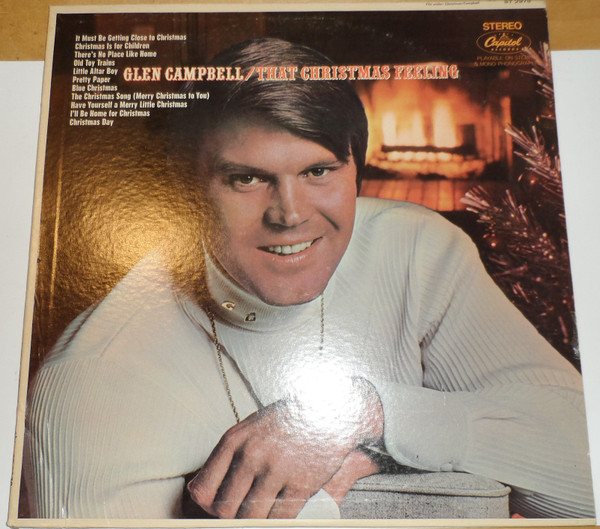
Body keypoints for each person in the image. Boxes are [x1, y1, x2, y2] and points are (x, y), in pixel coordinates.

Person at [26, 38, 594, 520]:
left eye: (318, 170)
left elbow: (587, 482)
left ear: (357, 170)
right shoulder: (91, 388)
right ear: (188, 189)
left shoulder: (414, 250)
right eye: (247, 179)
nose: (291, 215)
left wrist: (373, 416)